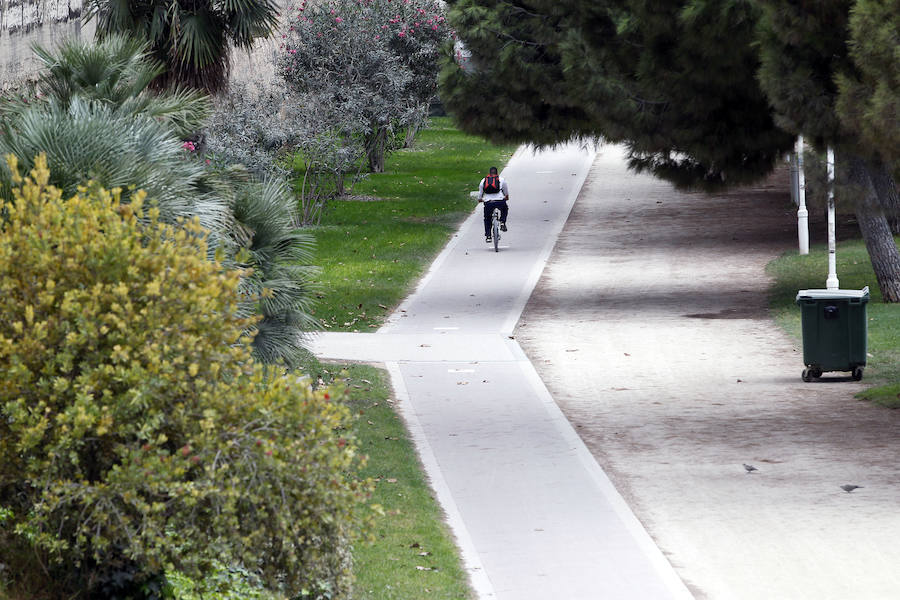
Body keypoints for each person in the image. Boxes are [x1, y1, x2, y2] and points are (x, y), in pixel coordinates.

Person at [478, 166, 509, 243]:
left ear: (489, 173)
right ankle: (502, 222)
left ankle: (488, 236)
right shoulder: (501, 179)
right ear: (497, 173)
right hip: (500, 201)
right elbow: (505, 191)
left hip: (488, 202)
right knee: (505, 209)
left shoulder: (483, 180)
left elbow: (480, 193)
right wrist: (506, 197)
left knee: (487, 218)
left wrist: (480, 199)